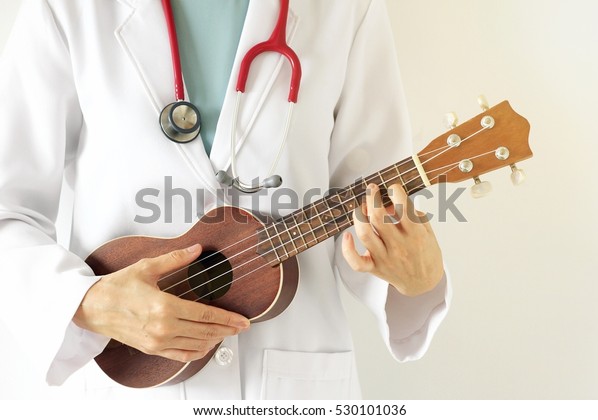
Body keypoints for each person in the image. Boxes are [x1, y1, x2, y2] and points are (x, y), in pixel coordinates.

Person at [0, 0, 450, 399]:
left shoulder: (342, 8)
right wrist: (87, 300)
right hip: (134, 388)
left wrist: (417, 278)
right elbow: (8, 211)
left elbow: (375, 206)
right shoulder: (66, 7)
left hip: (294, 389)